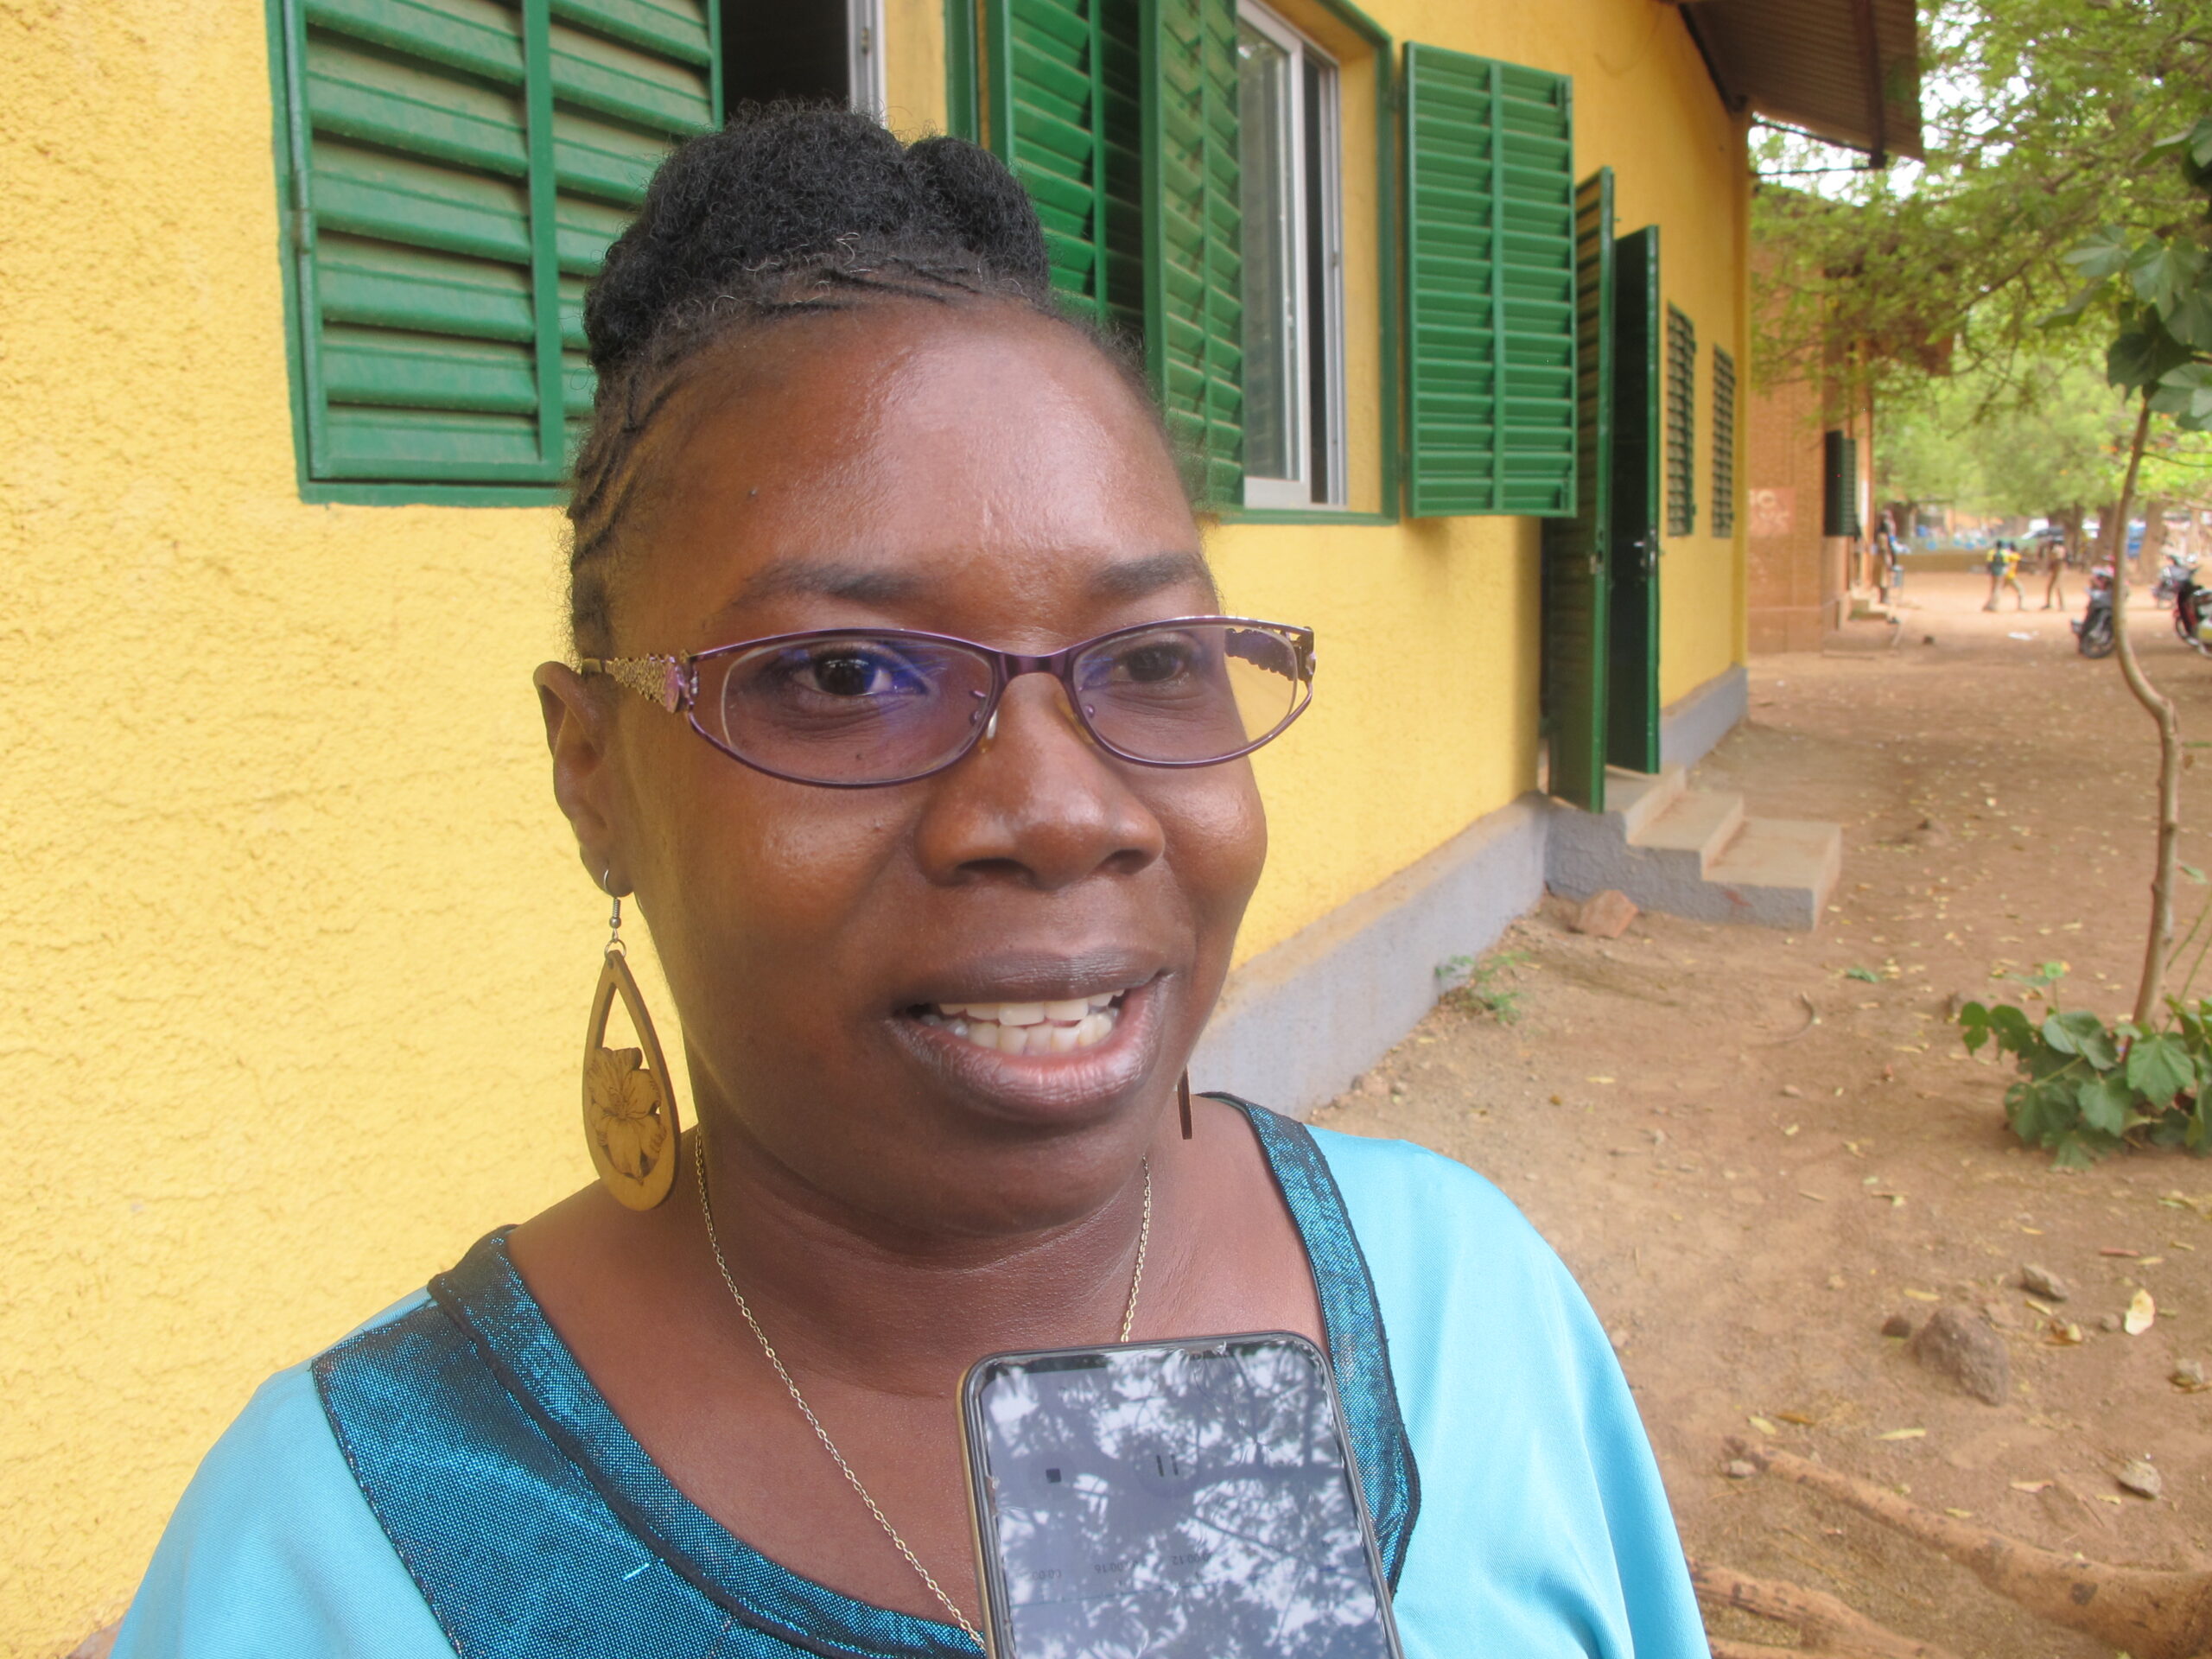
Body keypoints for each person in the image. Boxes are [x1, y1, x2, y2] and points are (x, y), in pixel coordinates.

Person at [110, 111, 1707, 1659]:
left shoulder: (1465, 1316)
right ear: (591, 770)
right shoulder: (338, 1551)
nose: (1060, 813)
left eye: (1151, 657)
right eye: (848, 673)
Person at [2039, 534, 2067, 610]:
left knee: (2058, 587)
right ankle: (2049, 603)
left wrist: (2051, 565)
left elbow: (2058, 560)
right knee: (2050, 587)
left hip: (2058, 570)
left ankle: (2062, 605)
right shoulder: (2052, 549)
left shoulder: (2057, 549)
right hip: (2055, 570)